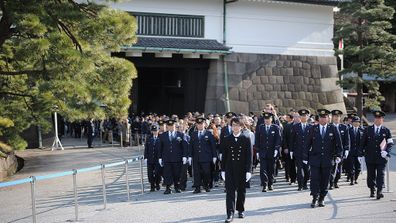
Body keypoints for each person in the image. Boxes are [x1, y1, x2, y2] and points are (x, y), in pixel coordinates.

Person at [303, 109, 342, 208]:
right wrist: (305, 157)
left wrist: (338, 155)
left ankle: (322, 198)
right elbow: (307, 144)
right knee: (314, 179)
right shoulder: (313, 128)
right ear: (318, 118)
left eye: (325, 117)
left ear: (328, 118)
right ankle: (314, 197)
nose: (323, 119)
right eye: (321, 117)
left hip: (328, 159)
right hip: (315, 159)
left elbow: (339, 144)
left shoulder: (333, 128)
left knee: (325, 180)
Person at [221, 117, 252, 222]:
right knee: (229, 192)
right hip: (230, 169)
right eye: (233, 125)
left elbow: (249, 156)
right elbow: (224, 156)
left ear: (241, 126)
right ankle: (230, 213)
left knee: (241, 191)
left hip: (242, 169)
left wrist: (249, 171)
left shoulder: (246, 138)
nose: (235, 127)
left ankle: (240, 209)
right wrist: (223, 170)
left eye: (237, 125)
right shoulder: (226, 139)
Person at [362, 110, 393, 199]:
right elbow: (363, 142)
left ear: (382, 120)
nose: (378, 120)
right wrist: (360, 154)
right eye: (376, 118)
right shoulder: (368, 130)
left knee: (381, 174)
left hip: (381, 157)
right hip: (370, 156)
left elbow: (390, 143)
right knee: (371, 175)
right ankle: (372, 189)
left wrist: (387, 151)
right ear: (374, 119)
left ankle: (379, 191)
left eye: (380, 118)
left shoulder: (386, 130)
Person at [158, 119, 188, 194]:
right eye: (169, 126)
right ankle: (168, 188)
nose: (171, 127)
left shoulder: (180, 135)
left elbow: (185, 147)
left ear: (175, 126)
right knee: (167, 173)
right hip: (167, 158)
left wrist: (185, 156)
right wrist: (160, 157)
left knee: (177, 173)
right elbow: (160, 148)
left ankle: (177, 187)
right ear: (167, 127)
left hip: (177, 158)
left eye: (173, 126)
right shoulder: (163, 136)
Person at [189, 118, 217, 193]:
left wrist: (214, 156)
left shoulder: (208, 133)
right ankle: (197, 187)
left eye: (201, 124)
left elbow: (213, 146)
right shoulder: (193, 134)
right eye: (198, 124)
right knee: (196, 173)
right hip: (196, 157)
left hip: (206, 157)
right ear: (196, 125)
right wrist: (189, 156)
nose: (200, 126)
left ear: (204, 124)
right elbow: (191, 145)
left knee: (206, 172)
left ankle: (206, 185)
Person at [255, 112, 281, 192]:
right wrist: (257, 151)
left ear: (271, 119)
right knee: (263, 169)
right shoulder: (260, 127)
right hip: (262, 152)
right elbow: (257, 140)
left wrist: (276, 149)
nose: (266, 120)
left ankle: (270, 184)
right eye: (265, 119)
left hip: (272, 152)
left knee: (271, 169)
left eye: (268, 119)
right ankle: (264, 185)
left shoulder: (275, 127)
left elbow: (278, 139)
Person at [290, 109, 311, 191]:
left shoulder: (311, 127)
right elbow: (292, 139)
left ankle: (305, 183)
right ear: (300, 117)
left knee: (307, 170)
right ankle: (300, 185)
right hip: (298, 151)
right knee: (299, 169)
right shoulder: (295, 127)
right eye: (302, 116)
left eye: (305, 116)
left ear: (307, 117)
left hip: (308, 152)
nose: (303, 117)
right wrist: (291, 150)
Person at [329, 110, 350, 190]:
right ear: (332, 117)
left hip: (340, 152)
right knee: (331, 167)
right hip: (331, 151)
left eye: (338, 116)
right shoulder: (329, 127)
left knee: (339, 169)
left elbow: (347, 140)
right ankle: (330, 183)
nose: (336, 118)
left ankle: (336, 181)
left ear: (340, 117)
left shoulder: (344, 127)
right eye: (335, 116)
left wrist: (347, 149)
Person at [345, 116, 364, 185]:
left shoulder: (362, 130)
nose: (356, 123)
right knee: (351, 166)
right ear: (352, 123)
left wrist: (363, 151)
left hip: (359, 152)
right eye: (355, 122)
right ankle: (352, 180)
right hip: (351, 151)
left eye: (358, 122)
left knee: (358, 167)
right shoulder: (348, 130)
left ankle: (356, 178)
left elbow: (364, 142)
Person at [144, 125, 161, 191]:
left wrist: (161, 157)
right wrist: (145, 157)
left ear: (158, 131)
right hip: (150, 158)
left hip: (157, 159)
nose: (154, 132)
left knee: (157, 172)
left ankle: (157, 183)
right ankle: (152, 185)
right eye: (153, 131)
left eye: (156, 131)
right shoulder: (149, 138)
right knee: (150, 173)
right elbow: (146, 148)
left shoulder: (160, 138)